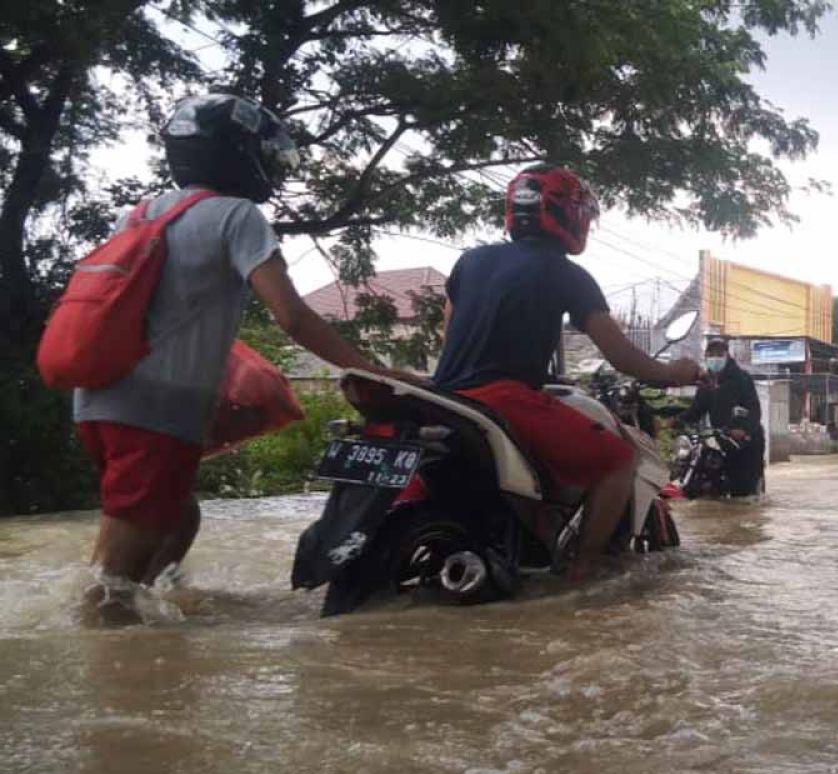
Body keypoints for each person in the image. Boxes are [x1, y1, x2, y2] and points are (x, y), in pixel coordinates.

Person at [73, 94, 395, 624]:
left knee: (179, 518)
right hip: (156, 411)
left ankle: (157, 621)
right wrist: (368, 370)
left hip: (98, 398)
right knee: (111, 582)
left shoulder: (139, 213)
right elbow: (291, 316)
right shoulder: (237, 215)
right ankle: (111, 655)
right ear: (240, 154)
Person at [432, 164, 701, 581]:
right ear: (570, 215)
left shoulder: (470, 262)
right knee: (618, 461)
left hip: (444, 397)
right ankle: (581, 576)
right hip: (504, 398)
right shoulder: (566, 274)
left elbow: (449, 337)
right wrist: (673, 372)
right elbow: (622, 356)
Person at [677, 339, 766, 496]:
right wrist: (676, 421)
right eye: (711, 354)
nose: (715, 358)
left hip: (745, 441)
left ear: (727, 355)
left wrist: (743, 430)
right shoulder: (706, 383)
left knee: (742, 490)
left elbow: (754, 410)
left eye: (719, 354)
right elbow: (696, 410)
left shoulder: (742, 379)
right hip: (720, 438)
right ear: (705, 356)